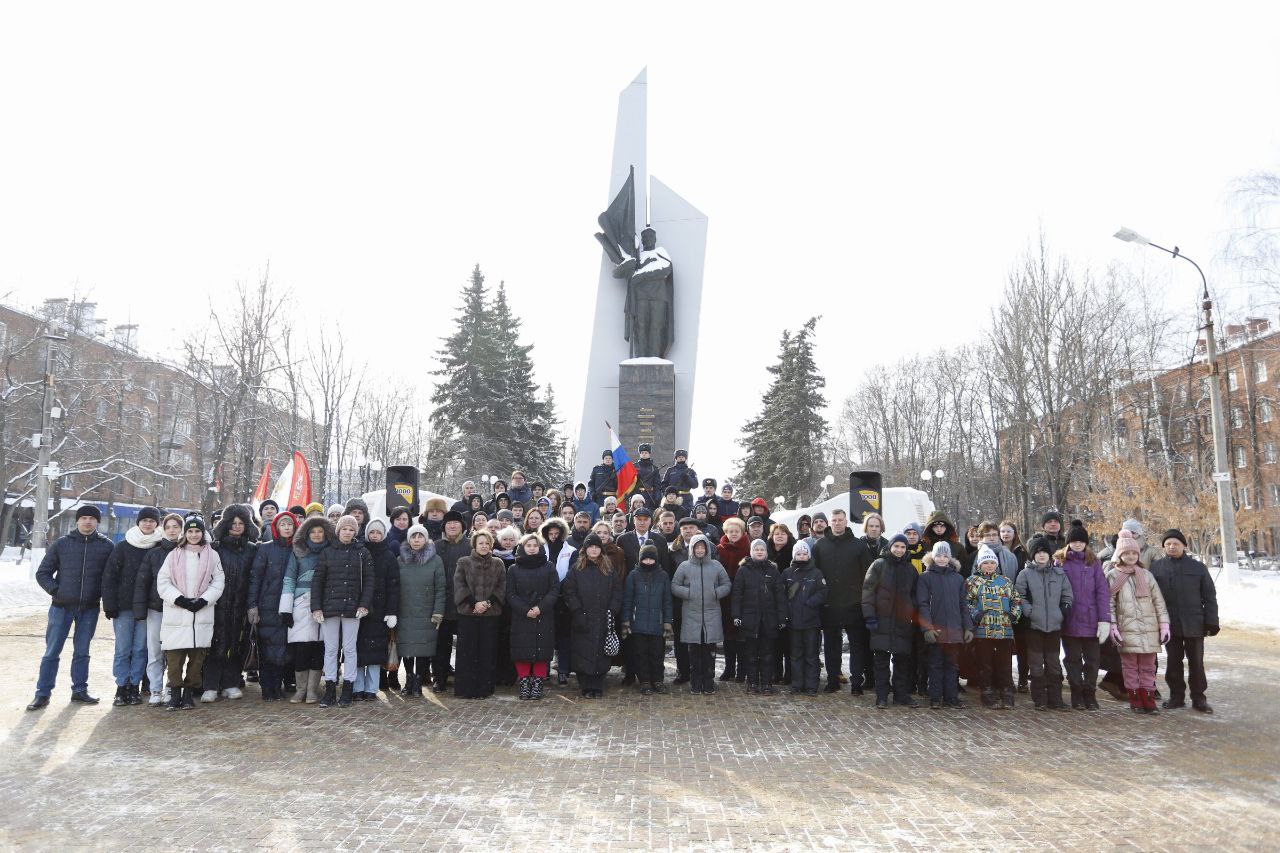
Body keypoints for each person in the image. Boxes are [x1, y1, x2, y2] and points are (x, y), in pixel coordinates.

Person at [28, 504, 115, 711]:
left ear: (97, 522)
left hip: (89, 609)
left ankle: (79, 690)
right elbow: (43, 573)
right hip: (61, 608)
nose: (87, 521)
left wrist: (103, 596)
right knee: (51, 652)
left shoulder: (106, 546)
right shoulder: (62, 544)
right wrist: (56, 591)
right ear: (77, 521)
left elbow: (111, 577)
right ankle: (42, 694)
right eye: (83, 518)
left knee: (82, 652)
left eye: (92, 519)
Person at [157, 517, 226, 710]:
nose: (193, 535)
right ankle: (175, 693)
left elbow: (218, 581)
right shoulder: (174, 555)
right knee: (174, 659)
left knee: (197, 659)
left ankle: (188, 693)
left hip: (201, 614)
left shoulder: (212, 556)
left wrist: (204, 600)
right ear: (184, 534)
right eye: (190, 532)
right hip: (177, 613)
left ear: (202, 533)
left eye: (197, 531)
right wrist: (180, 599)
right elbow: (163, 582)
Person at [1149, 529, 1218, 713]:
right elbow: (1150, 598)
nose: (1172, 547)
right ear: (1163, 546)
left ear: (1184, 546)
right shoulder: (1156, 568)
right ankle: (1176, 697)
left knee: (1196, 662)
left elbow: (1209, 596)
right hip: (1169, 625)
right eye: (1168, 544)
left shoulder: (1198, 568)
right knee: (1173, 662)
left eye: (1176, 544)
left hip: (1195, 624)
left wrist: (1212, 621)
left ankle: (1199, 698)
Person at [102, 505, 164, 706]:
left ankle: (134, 685)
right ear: (139, 522)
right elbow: (110, 577)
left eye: (152, 521)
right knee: (123, 648)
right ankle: (121, 686)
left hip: (148, 608)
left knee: (140, 649)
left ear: (156, 524)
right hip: (123, 607)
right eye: (145, 520)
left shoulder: (159, 547)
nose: (148, 524)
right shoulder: (123, 546)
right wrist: (109, 604)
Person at [311, 515, 374, 708]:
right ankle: (330, 688)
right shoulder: (327, 552)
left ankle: (348, 688)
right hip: (329, 608)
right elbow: (318, 581)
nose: (347, 532)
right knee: (330, 649)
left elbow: (370, 581)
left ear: (355, 532)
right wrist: (316, 607)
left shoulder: (362, 553)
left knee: (349, 648)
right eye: (344, 529)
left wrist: (364, 604)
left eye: (351, 529)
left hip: (353, 608)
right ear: (338, 531)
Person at [1107, 530, 1171, 714]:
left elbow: (1159, 602)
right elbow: (1109, 604)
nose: (1131, 556)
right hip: (1126, 629)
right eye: (1126, 553)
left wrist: (1164, 624)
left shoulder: (1146, 575)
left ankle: (1148, 699)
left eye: (1134, 553)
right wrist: (1112, 625)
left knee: (1148, 667)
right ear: (1120, 555)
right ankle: (1135, 698)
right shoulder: (1113, 575)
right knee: (1129, 667)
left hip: (1149, 629)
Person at [812, 508, 874, 695]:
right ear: (830, 523)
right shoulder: (820, 546)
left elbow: (869, 574)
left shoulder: (858, 546)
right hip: (829, 605)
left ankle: (856, 682)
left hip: (854, 604)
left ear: (846, 522)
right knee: (831, 646)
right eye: (834, 520)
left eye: (840, 520)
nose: (837, 523)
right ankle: (832, 680)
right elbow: (815, 575)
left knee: (857, 645)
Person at [202, 505, 259, 702]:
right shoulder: (215, 548)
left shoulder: (252, 549)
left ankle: (231, 682)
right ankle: (210, 684)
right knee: (215, 643)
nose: (237, 527)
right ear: (226, 525)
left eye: (241, 524)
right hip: (217, 604)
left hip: (240, 605)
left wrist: (251, 604)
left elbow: (254, 579)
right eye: (233, 523)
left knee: (236, 644)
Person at [1016, 531, 1073, 711]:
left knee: (1053, 662)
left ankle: (1055, 698)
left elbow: (1067, 595)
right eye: (1038, 552)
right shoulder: (1025, 574)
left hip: (1054, 626)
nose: (1041, 555)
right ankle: (1039, 699)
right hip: (1034, 625)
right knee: (1036, 663)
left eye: (1044, 552)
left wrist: (1063, 610)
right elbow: (1019, 596)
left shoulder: (1059, 574)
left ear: (1049, 554)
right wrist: (1028, 611)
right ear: (1033, 555)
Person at [862, 533, 920, 709]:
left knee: (902, 661)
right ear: (890, 547)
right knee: (881, 661)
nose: (899, 550)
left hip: (903, 622)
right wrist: (870, 616)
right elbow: (868, 592)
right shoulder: (878, 565)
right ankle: (881, 696)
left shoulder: (910, 570)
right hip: (881, 621)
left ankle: (901, 695)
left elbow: (915, 595)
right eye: (896, 546)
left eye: (903, 547)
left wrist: (913, 614)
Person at [562, 533, 623, 698]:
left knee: (600, 651)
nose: (594, 550)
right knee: (583, 650)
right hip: (583, 616)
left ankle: (597, 684)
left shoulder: (609, 569)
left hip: (604, 616)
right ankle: (586, 684)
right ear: (585, 549)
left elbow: (617, 591)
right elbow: (569, 591)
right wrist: (577, 611)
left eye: (597, 547)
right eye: (591, 547)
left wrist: (613, 609)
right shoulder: (576, 568)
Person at [1056, 526, 1110, 711]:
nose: (1077, 544)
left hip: (1091, 619)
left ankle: (1090, 692)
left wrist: (1104, 620)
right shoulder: (1060, 562)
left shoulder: (1093, 563)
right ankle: (1076, 692)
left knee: (1093, 660)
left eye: (1081, 541)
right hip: (1069, 619)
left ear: (1086, 543)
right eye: (1074, 541)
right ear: (1068, 542)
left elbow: (1102, 592)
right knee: (1072, 659)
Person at [280, 515, 333, 704]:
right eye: (313, 532)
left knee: (318, 648)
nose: (317, 535)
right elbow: (289, 578)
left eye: (320, 531)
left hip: (324, 604)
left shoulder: (332, 551)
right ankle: (300, 689)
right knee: (301, 649)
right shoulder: (298, 552)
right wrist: (286, 609)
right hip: (300, 604)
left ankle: (312, 689)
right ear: (307, 534)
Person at [671, 534, 731, 695]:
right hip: (691, 613)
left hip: (711, 614)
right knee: (694, 651)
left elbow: (727, 584)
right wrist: (689, 592)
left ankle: (709, 681)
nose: (699, 550)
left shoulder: (716, 566)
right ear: (692, 549)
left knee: (709, 650)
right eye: (696, 547)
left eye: (702, 547)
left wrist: (715, 593)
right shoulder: (684, 566)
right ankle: (695, 681)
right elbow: (675, 585)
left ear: (706, 549)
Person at [247, 511, 297, 701]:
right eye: (282, 524)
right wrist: (252, 605)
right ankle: (268, 687)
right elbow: (255, 578)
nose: (286, 528)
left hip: (289, 606)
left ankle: (280, 685)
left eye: (289, 524)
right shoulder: (265, 549)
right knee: (267, 648)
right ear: (276, 527)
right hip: (267, 604)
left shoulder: (298, 548)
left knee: (284, 648)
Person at [134, 512, 183, 706]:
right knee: (154, 651)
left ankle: (172, 687)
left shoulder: (187, 551)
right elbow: (142, 582)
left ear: (182, 529)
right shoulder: (154, 553)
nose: (172, 530)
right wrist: (140, 610)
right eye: (168, 527)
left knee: (174, 652)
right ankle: (155, 688)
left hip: (179, 609)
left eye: (176, 527)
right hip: (156, 609)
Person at [916, 542, 972, 709]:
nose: (942, 559)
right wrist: (927, 628)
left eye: (945, 555)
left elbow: (963, 605)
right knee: (935, 665)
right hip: (936, 630)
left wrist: (968, 627)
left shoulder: (957, 578)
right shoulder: (925, 578)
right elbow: (923, 604)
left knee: (952, 665)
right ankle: (935, 697)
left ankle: (951, 697)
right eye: (938, 555)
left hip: (954, 630)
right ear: (933, 556)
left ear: (950, 558)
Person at [966, 544, 1022, 710]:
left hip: (1004, 630)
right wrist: (975, 613)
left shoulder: (1005, 582)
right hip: (983, 631)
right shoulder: (973, 582)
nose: (989, 565)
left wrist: (1014, 614)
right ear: (979, 565)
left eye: (992, 562)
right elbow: (966, 602)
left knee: (1004, 663)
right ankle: (987, 692)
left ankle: (1006, 692)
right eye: (985, 563)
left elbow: (1016, 600)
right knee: (985, 663)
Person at [453, 529, 506, 699]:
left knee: (487, 652)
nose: (484, 546)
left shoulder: (498, 563)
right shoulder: (464, 562)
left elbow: (501, 587)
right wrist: (474, 603)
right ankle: (466, 689)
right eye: (480, 543)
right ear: (474, 545)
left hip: (490, 615)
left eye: (487, 543)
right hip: (468, 613)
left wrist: (487, 603)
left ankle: (484, 689)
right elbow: (459, 585)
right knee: (467, 652)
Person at [395, 524, 446, 698]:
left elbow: (441, 588)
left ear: (426, 539)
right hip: (405, 611)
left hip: (427, 611)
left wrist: (438, 611)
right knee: (407, 648)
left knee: (424, 648)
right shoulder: (400, 560)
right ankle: (409, 679)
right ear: (408, 539)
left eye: (420, 536)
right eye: (413, 536)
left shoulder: (435, 560)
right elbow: (394, 587)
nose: (417, 540)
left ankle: (418, 680)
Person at [731, 539, 787, 695]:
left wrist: (782, 618)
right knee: (750, 654)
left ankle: (767, 683)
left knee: (768, 654)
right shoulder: (743, 570)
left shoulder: (773, 570)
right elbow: (737, 595)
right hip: (749, 619)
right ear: (751, 552)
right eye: (756, 549)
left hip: (769, 619)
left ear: (766, 552)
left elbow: (780, 596)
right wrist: (736, 614)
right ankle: (753, 682)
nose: (760, 551)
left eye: (762, 549)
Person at [507, 532, 559, 700]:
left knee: (541, 650)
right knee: (521, 650)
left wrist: (540, 608)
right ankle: (524, 682)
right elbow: (510, 593)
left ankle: (537, 682)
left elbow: (554, 590)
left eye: (535, 545)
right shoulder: (514, 568)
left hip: (543, 615)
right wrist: (525, 610)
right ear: (523, 547)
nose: (531, 548)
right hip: (521, 616)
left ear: (540, 547)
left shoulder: (549, 566)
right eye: (528, 545)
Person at [354, 519, 400, 701]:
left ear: (383, 535)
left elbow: (393, 586)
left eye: (378, 533)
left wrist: (392, 611)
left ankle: (371, 688)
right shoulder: (359, 552)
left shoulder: (388, 556)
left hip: (380, 610)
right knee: (357, 650)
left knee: (375, 651)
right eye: (372, 532)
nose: (374, 536)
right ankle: (357, 687)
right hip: (359, 608)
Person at [622, 543, 673, 695]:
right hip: (638, 623)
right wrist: (626, 621)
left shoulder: (663, 575)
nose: (648, 562)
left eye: (651, 559)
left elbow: (667, 601)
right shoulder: (633, 575)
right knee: (641, 654)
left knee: (657, 654)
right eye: (645, 559)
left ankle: (657, 680)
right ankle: (644, 681)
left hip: (657, 623)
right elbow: (628, 600)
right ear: (640, 559)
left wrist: (667, 621)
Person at [432, 511, 472, 692]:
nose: (452, 526)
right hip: (442, 603)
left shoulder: (470, 545)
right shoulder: (436, 546)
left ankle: (463, 678)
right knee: (441, 645)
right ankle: (439, 678)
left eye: (456, 523)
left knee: (465, 645)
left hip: (464, 603)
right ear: (444, 527)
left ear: (462, 527)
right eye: (449, 523)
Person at [781, 540, 827, 695]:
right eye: (798, 554)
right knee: (795, 655)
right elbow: (781, 594)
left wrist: (811, 603)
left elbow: (823, 592)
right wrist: (786, 611)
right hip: (793, 623)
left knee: (811, 655)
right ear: (794, 555)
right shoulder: (787, 573)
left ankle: (812, 685)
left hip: (811, 622)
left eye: (804, 553)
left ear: (809, 555)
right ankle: (797, 684)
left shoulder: (816, 573)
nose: (801, 556)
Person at [716, 517, 752, 681]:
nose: (733, 534)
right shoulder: (719, 549)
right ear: (726, 533)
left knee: (742, 636)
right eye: (730, 531)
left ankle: (742, 670)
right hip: (724, 598)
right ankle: (729, 669)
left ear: (742, 532)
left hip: (743, 598)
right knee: (728, 636)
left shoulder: (749, 548)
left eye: (736, 531)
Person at [766, 522, 796, 684]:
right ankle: (775, 672)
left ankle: (789, 674)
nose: (779, 536)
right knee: (774, 641)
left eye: (783, 533)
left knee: (789, 642)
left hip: (790, 601)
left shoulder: (793, 552)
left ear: (788, 536)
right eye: (776, 533)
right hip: (771, 602)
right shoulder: (766, 552)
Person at [660, 449, 698, 515]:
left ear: (685, 458)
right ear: (676, 458)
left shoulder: (690, 471)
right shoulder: (670, 470)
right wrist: (667, 494)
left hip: (686, 498)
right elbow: (664, 485)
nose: (681, 458)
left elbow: (695, 485)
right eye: (679, 457)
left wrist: (687, 478)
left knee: (685, 517)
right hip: (672, 499)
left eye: (682, 457)